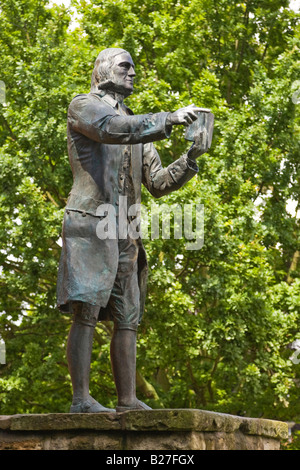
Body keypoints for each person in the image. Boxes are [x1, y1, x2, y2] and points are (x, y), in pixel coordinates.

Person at [56, 47, 210, 413]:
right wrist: (168, 119)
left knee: (128, 318)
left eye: (134, 68)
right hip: (91, 224)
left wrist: (190, 159)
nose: (132, 73)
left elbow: (156, 182)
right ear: (104, 69)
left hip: (126, 231)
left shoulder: (136, 124)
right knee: (87, 311)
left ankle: (127, 399)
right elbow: (110, 129)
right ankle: (81, 399)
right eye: (126, 66)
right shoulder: (85, 106)